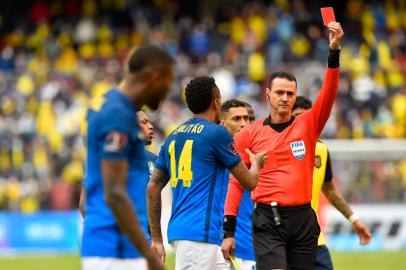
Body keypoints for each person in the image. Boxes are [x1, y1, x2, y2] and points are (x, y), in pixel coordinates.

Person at [222, 22, 344, 270]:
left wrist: (333, 53)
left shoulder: (307, 125)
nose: (285, 98)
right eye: (279, 92)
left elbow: (329, 92)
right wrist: (228, 231)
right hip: (267, 218)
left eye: (290, 93)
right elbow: (235, 182)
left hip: (303, 219)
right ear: (267, 94)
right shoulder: (249, 134)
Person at [147, 76, 267, 270]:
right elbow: (250, 182)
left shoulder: (173, 136)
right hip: (199, 236)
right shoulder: (216, 134)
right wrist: (257, 163)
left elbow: (153, 187)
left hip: (197, 234)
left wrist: (156, 239)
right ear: (217, 102)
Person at [81, 45, 175, 270]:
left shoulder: (112, 105)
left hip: (116, 246)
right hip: (115, 249)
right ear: (154, 77)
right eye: (167, 82)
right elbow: (114, 192)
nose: (168, 90)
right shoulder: (118, 114)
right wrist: (148, 254)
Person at [292, 96, 371, 270]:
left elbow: (330, 191)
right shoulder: (277, 149)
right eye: (297, 116)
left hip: (315, 238)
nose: (302, 122)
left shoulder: (321, 149)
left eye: (306, 117)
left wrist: (354, 219)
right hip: (286, 240)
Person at [220, 99, 256, 270]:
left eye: (249, 119)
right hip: (216, 245)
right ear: (222, 123)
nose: (245, 124)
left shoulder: (257, 157)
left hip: (248, 248)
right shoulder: (211, 155)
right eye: (238, 119)